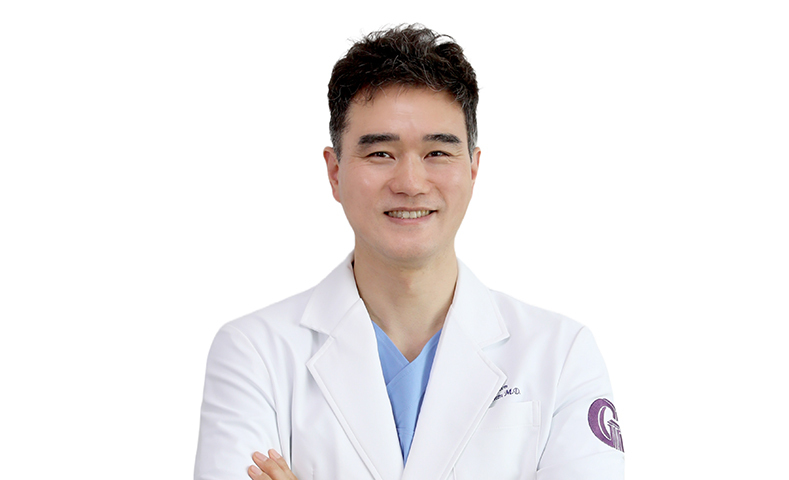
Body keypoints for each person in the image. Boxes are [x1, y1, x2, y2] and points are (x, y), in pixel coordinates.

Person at [194, 24, 624, 480]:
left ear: (473, 169)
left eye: (438, 153)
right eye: (380, 153)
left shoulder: (561, 354)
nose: (411, 183)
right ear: (335, 172)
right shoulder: (254, 353)